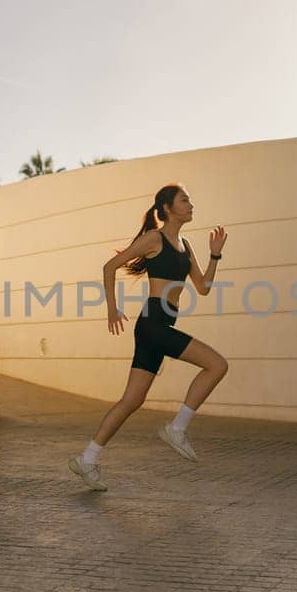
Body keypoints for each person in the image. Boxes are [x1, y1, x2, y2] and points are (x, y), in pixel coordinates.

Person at [69, 184, 228, 490]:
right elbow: (109, 266)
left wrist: (215, 255)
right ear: (168, 208)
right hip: (153, 323)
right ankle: (177, 428)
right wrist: (112, 309)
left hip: (158, 325)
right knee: (217, 365)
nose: (191, 205)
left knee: (131, 400)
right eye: (185, 200)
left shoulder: (185, 244)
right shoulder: (154, 238)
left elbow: (204, 287)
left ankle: (87, 459)